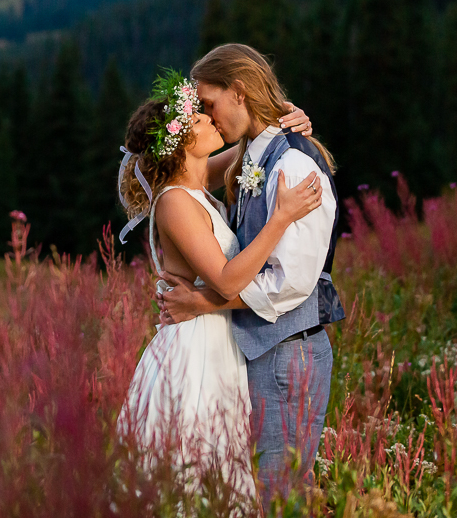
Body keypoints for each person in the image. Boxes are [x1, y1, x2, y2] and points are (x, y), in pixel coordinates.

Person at [117, 70, 324, 503]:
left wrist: (290, 117)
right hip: (194, 349)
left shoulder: (194, 183)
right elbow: (228, 278)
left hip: (217, 339)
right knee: (194, 465)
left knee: (219, 461)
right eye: (198, 120)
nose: (210, 119)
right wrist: (281, 217)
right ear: (181, 143)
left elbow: (253, 143)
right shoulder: (174, 201)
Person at [159, 44, 343, 503]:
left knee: (279, 498)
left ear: (238, 92)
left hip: (288, 353)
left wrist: (205, 301)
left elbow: (291, 283)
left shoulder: (292, 164)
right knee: (260, 496)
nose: (207, 116)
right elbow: (183, 183)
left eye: (209, 104)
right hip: (262, 352)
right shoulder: (252, 157)